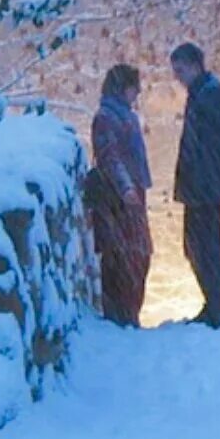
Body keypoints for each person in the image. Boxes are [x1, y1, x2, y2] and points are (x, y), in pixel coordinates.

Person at [171, 42, 220, 328]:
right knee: (198, 245)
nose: (177, 77)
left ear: (193, 65)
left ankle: (215, 307)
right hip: (201, 185)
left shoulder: (209, 95)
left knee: (205, 246)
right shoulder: (204, 92)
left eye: (179, 70)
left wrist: (209, 180)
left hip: (204, 187)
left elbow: (217, 142)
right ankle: (212, 304)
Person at [90, 63, 153, 327]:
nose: (136, 93)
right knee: (122, 256)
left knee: (137, 254)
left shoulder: (125, 116)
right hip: (116, 199)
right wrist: (125, 186)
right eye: (132, 88)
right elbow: (110, 157)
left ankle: (128, 313)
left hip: (131, 195)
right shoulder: (106, 117)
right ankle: (120, 315)